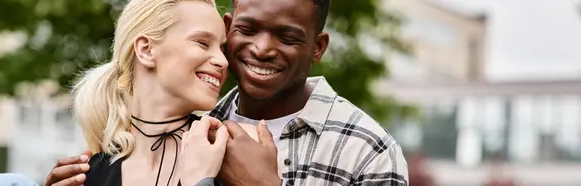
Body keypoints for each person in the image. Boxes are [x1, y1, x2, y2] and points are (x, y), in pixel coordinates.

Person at [46, 0, 410, 185]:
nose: (263, 49)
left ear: (318, 47)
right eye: (247, 29)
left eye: (287, 37)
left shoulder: (367, 148)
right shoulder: (205, 135)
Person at [61, 0, 264, 186]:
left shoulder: (238, 150)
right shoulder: (89, 175)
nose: (223, 61)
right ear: (146, 49)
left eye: (221, 49)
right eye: (203, 43)